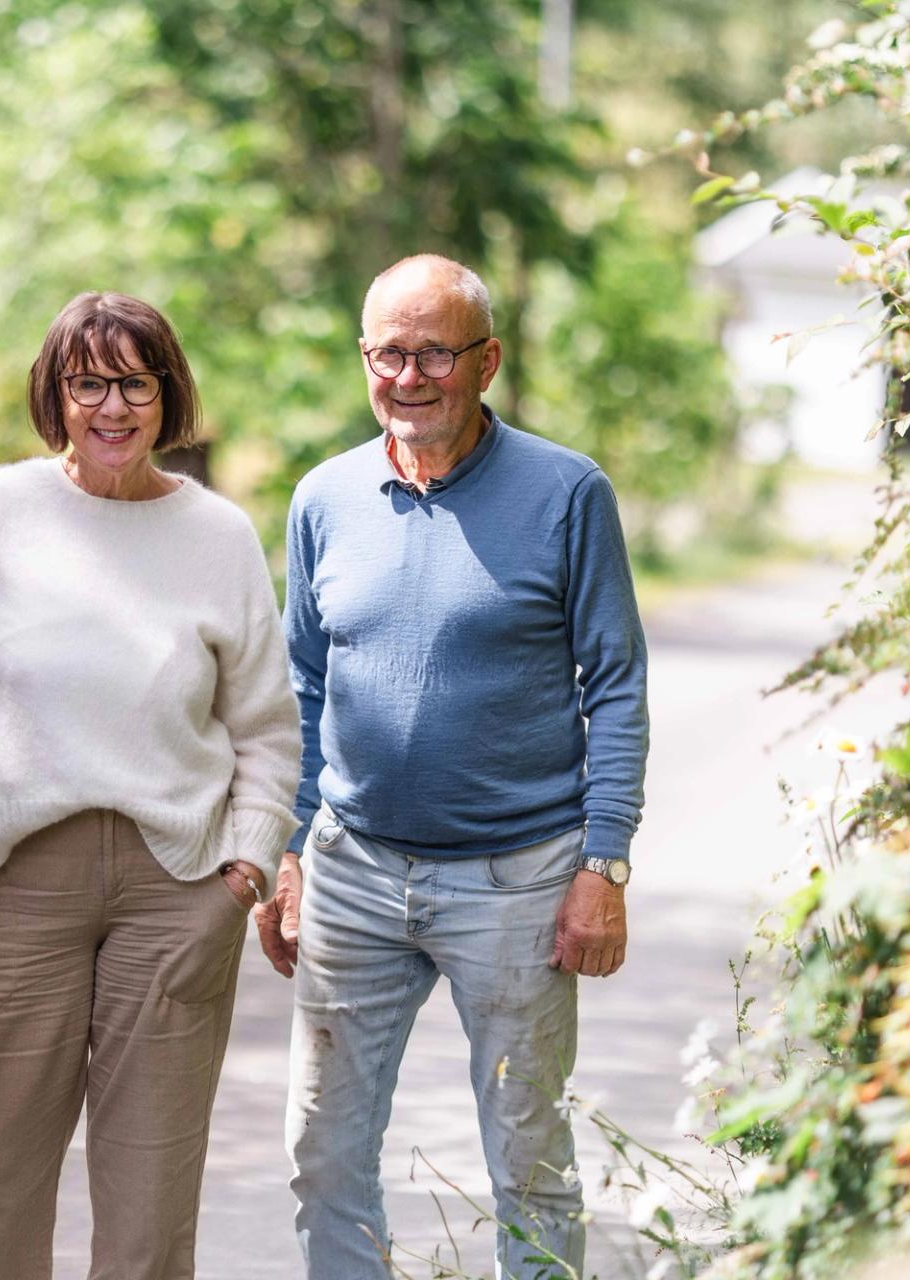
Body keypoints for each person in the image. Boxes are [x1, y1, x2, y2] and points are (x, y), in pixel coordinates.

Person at [260, 255, 648, 1278]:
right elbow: (301, 686)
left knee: (529, 1160)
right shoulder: (324, 496)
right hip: (354, 868)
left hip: (518, 877)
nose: (410, 374)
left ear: (489, 360)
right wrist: (289, 847)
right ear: (364, 359)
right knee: (323, 1152)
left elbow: (614, 684)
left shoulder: (568, 493)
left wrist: (602, 865)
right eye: (388, 351)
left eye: (436, 350)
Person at [0, 291, 302, 1280]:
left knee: (148, 1205)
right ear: (55, 393)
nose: (113, 405)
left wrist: (246, 867)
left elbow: (265, 727)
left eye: (137, 381)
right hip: (26, 876)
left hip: (179, 885)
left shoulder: (218, 535)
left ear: (168, 396)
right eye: (89, 381)